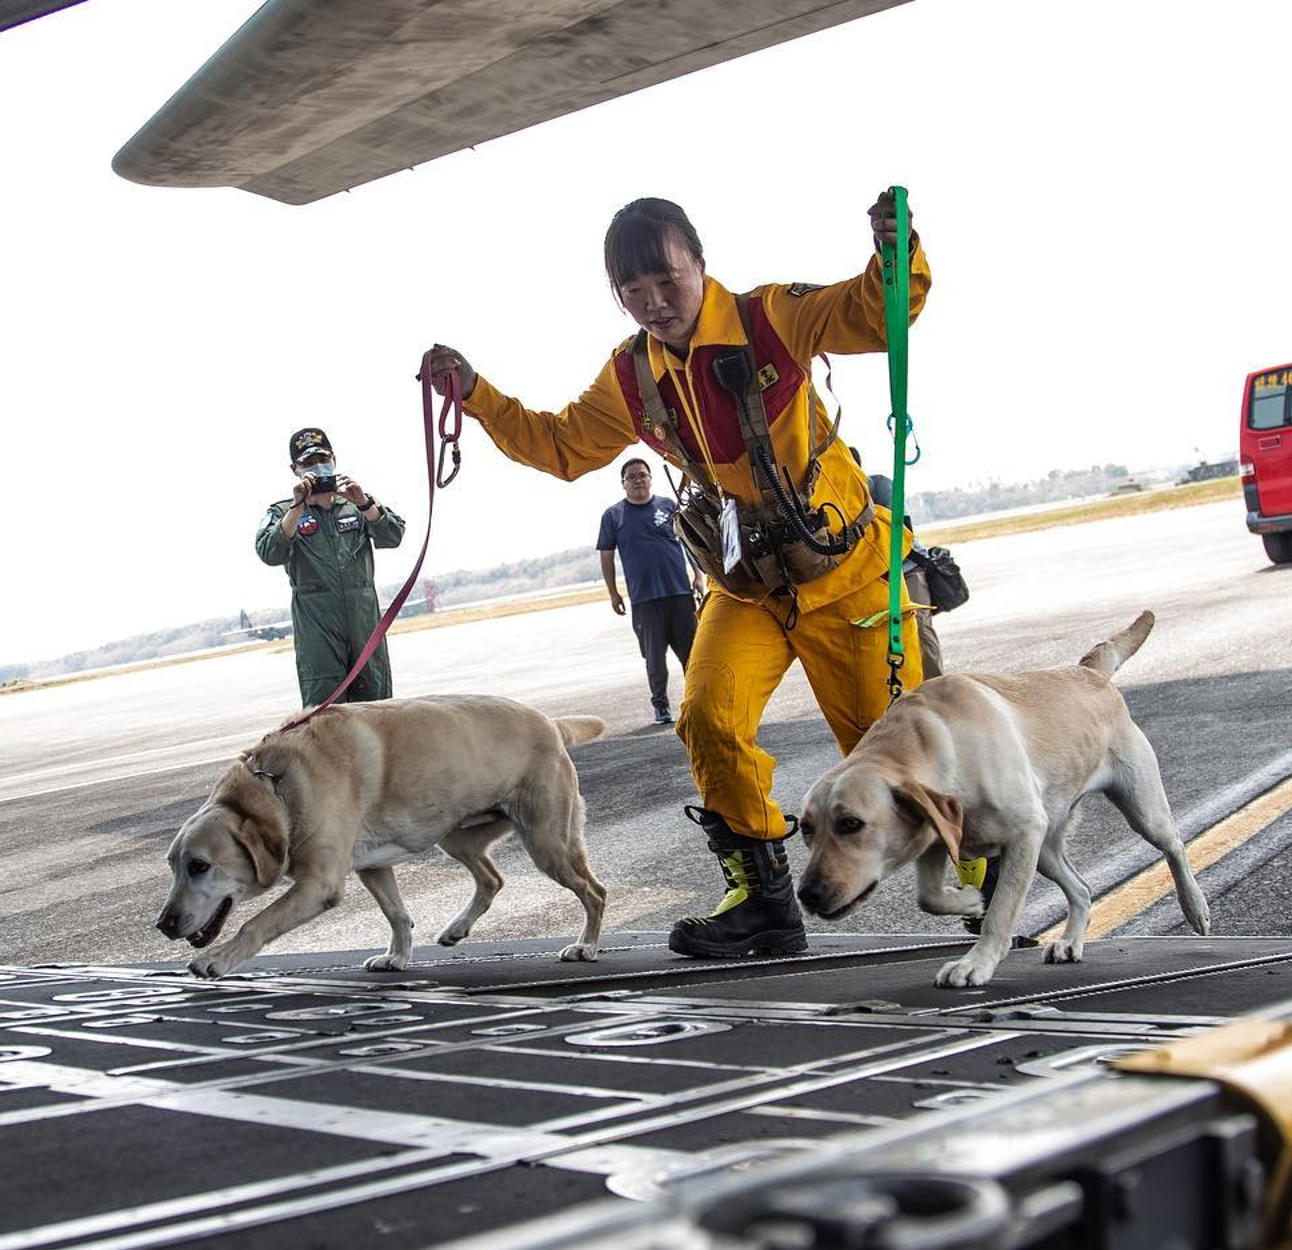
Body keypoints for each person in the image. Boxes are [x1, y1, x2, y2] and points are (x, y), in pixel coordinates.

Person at [424, 190, 928, 959]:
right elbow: (562, 445)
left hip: (848, 579)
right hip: (748, 589)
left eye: (667, 280)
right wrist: (477, 397)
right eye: (633, 291)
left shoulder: (771, 319)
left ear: (700, 262)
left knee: (892, 752)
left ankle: (981, 869)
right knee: (706, 717)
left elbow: (873, 312)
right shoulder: (633, 376)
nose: (654, 303)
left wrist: (895, 256)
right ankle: (764, 899)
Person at [255, 427, 406, 706]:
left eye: (323, 459)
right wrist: (297, 508)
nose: (318, 467)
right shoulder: (283, 511)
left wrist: (363, 503)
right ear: (295, 469)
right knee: (326, 715)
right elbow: (269, 552)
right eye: (308, 463)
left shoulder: (356, 503)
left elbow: (393, 535)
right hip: (318, 629)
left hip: (363, 623)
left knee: (377, 709)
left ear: (334, 459)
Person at [598, 456, 704, 724]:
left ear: (650, 478)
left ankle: (699, 703)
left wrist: (699, 575)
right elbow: (607, 556)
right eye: (631, 477)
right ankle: (661, 707)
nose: (638, 480)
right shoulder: (614, 515)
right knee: (654, 659)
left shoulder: (668, 506)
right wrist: (613, 592)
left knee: (692, 654)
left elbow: (689, 542)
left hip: (680, 593)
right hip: (644, 599)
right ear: (623, 483)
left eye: (642, 475)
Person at [857, 449, 944, 679]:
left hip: (907, 569)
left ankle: (936, 685)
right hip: (872, 575)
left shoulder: (881, 486)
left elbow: (899, 534)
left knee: (921, 629)